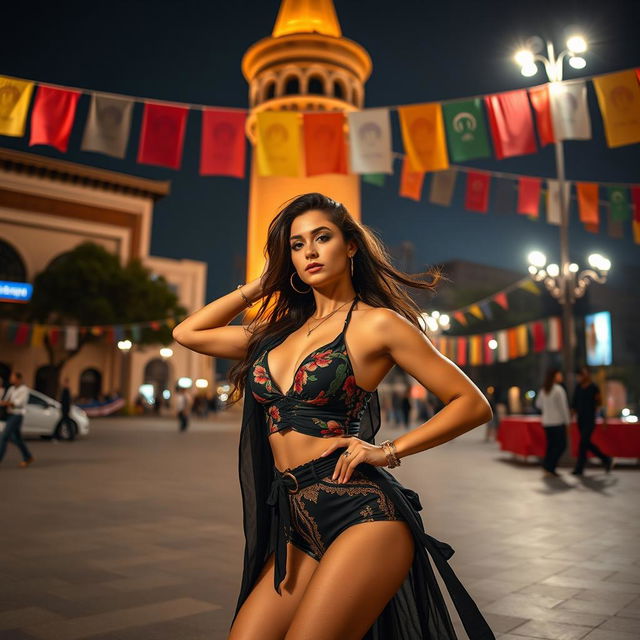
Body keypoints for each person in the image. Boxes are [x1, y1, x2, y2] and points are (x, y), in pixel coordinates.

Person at [173, 193, 495, 639]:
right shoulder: (274, 335)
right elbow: (187, 332)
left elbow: (472, 403)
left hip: (362, 514)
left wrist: (388, 450)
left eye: (321, 238)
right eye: (296, 244)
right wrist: (262, 284)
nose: (309, 251)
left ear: (350, 246)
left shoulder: (377, 324)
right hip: (297, 522)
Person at [571, 366, 613, 476]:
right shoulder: (578, 387)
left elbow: (600, 403)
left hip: (590, 420)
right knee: (585, 443)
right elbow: (574, 404)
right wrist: (571, 417)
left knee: (583, 442)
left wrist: (604, 418)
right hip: (581, 419)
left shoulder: (594, 387)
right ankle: (606, 459)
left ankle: (579, 468)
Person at [535, 368, 570, 479]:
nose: (561, 376)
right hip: (557, 422)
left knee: (551, 446)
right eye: (559, 374)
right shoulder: (559, 389)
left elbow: (538, 404)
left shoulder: (544, 389)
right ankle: (549, 466)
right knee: (561, 445)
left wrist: (547, 409)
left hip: (547, 422)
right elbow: (563, 408)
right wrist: (567, 422)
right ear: (555, 376)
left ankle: (549, 467)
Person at [0, 371, 34, 467]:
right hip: (10, 414)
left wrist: (7, 403)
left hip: (17, 415)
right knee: (17, 439)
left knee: (4, 436)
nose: (11, 379)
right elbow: (6, 399)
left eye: (13, 377)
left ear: (18, 379)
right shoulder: (11, 389)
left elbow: (19, 403)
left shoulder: (24, 389)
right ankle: (28, 457)